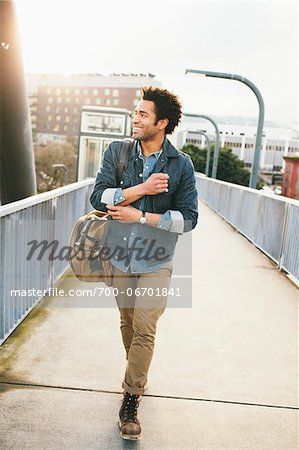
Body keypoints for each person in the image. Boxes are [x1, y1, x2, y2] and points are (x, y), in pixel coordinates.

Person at [90, 86, 198, 440]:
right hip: (119, 255)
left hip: (157, 259)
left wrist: (140, 217)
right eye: (135, 113)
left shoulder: (181, 164)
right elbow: (98, 195)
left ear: (162, 123)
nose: (134, 119)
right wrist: (141, 189)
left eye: (142, 114)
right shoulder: (118, 152)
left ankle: (130, 399)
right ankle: (136, 374)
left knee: (145, 328)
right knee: (128, 322)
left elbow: (189, 219)